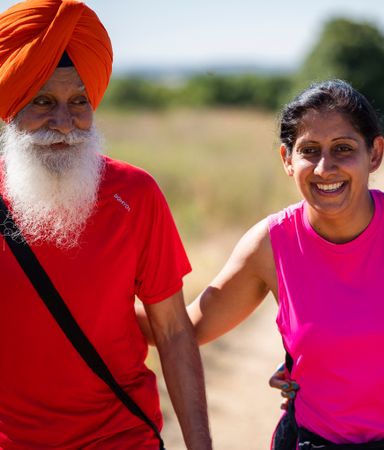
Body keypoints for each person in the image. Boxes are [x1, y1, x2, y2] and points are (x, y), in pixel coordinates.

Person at [187, 79, 384, 449]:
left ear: (374, 154)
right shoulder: (270, 243)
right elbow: (183, 329)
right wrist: (101, 307)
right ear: (287, 160)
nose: (325, 168)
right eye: (309, 150)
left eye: (343, 148)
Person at [0, 1, 212, 448]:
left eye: (79, 101)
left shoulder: (135, 194)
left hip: (121, 436)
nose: (64, 123)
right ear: (12, 104)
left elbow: (173, 331)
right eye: (43, 101)